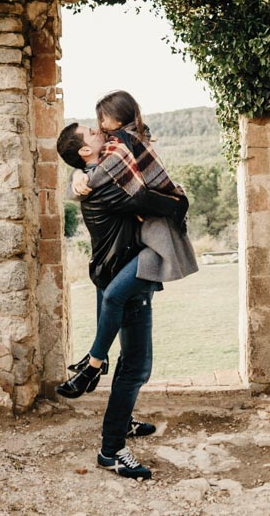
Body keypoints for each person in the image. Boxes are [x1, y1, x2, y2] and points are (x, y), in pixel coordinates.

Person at [55, 121, 188, 479]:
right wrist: (179, 198)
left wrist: (77, 179)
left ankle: (121, 421)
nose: (104, 135)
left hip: (115, 275)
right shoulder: (103, 184)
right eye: (94, 134)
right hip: (124, 282)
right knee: (136, 366)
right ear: (85, 151)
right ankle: (111, 451)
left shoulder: (92, 179)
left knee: (132, 363)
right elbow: (149, 199)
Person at [60, 91, 198, 398]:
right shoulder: (117, 149)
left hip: (147, 244)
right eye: (94, 127)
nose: (99, 127)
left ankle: (94, 365)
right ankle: (98, 364)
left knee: (132, 354)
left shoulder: (123, 145)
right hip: (123, 253)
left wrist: (177, 204)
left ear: (119, 118)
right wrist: (76, 176)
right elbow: (97, 172)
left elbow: (130, 191)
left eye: (102, 121)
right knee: (131, 354)